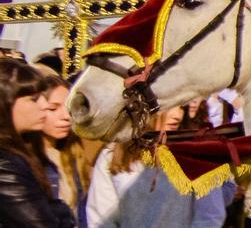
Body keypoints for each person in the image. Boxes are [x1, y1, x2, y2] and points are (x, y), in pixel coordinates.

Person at [87, 106, 227, 227]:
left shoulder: (197, 153)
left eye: (181, 107)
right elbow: (101, 218)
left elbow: (210, 215)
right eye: (170, 106)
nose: (177, 115)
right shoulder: (112, 157)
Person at [0, 57, 74, 227]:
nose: (43, 105)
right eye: (33, 99)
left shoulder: (23, 151)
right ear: (5, 103)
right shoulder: (5, 164)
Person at [39, 73, 93, 226]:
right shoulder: (23, 161)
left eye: (68, 108)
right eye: (53, 108)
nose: (65, 116)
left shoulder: (75, 153)